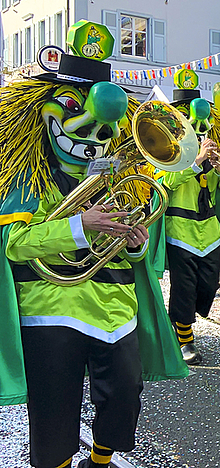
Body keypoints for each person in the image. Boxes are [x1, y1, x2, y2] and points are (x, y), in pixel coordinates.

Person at [0, 25, 186, 468]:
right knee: (53, 409)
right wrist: (79, 225)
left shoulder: (120, 179)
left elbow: (130, 250)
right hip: (51, 306)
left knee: (125, 395)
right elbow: (14, 244)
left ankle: (99, 462)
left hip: (116, 308)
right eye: (70, 108)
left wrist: (137, 243)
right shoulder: (28, 178)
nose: (94, 128)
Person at [161, 70, 220, 365]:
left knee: (209, 286)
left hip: (209, 231)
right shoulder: (166, 153)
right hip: (180, 229)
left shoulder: (212, 153)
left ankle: (182, 322)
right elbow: (163, 186)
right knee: (183, 288)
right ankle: (185, 338)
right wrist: (194, 165)